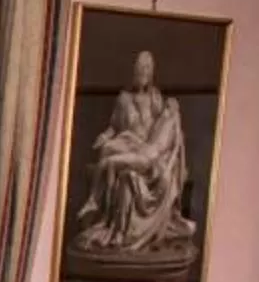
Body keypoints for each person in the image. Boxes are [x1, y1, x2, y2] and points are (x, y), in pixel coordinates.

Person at [72, 50, 198, 262]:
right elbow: (114, 126)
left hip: (147, 154)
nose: (142, 72)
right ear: (134, 71)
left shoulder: (157, 100)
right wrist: (104, 136)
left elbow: (172, 137)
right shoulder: (123, 99)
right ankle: (106, 215)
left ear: (151, 73)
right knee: (108, 150)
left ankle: (114, 222)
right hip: (129, 144)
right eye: (139, 68)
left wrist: (172, 160)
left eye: (146, 68)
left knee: (125, 172)